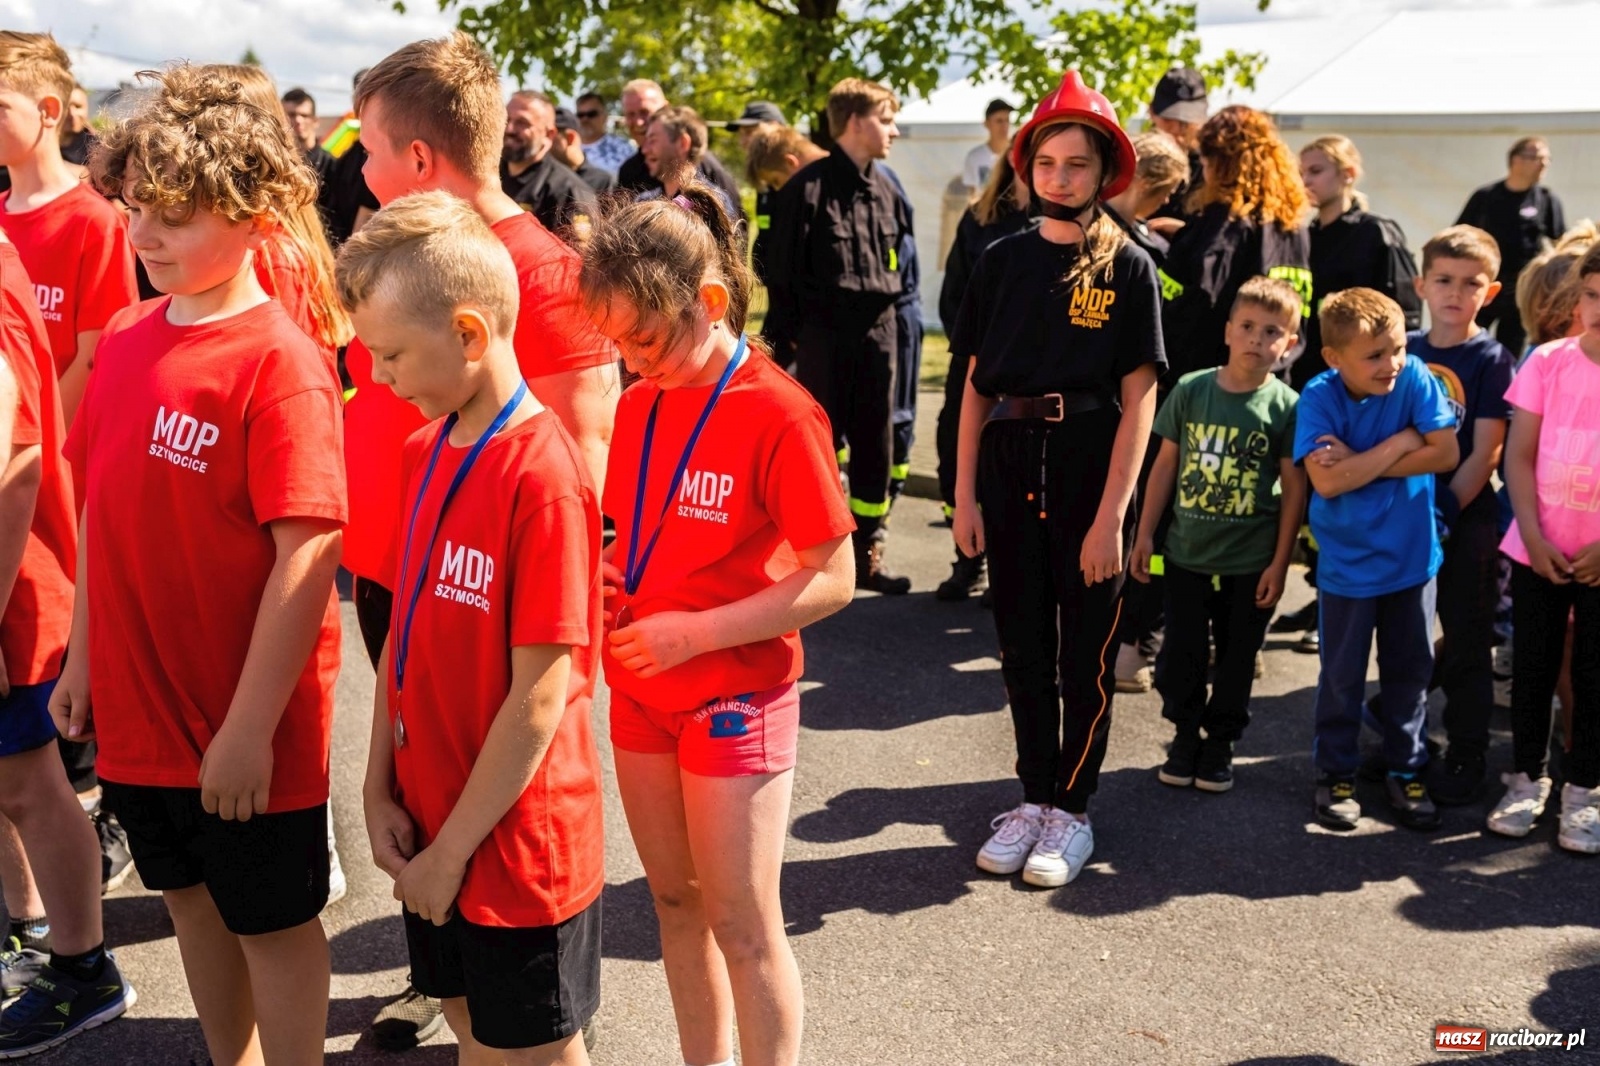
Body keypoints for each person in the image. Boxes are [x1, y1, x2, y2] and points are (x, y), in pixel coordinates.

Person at [57, 63, 346, 1064]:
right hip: (140, 710)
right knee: (187, 899)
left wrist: (249, 729)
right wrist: (82, 657)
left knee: (270, 919)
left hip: (244, 728)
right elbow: (101, 509)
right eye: (136, 209)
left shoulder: (280, 361)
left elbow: (307, 552)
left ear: (257, 213)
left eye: (174, 217)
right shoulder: (131, 336)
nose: (142, 237)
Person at [350, 31, 620, 1047]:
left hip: (510, 848)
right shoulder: (426, 451)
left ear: (468, 333)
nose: (375, 378)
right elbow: (407, 645)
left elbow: (542, 689)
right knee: (473, 1031)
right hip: (433, 825)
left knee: (534, 1045)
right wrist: (376, 783)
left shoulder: (539, 473)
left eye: (391, 355)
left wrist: (452, 850)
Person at [580, 184, 856, 1066]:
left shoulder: (780, 410)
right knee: (673, 906)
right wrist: (609, 569)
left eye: (645, 337)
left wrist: (694, 634)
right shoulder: (639, 405)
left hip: (734, 696)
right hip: (642, 693)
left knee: (742, 923)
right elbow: (639, 533)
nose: (629, 359)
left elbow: (835, 578)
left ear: (707, 303)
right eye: (614, 341)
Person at [953, 71, 1163, 888]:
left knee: (1086, 653)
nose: (1061, 178)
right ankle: (1032, 797)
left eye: (1078, 164)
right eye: (1047, 162)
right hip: (1008, 467)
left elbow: (1142, 396)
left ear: (1104, 171)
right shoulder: (1000, 260)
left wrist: (1113, 513)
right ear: (1026, 167)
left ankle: (1072, 809)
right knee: (1022, 648)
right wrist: (965, 494)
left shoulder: (1129, 267)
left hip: (1089, 468)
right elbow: (973, 385)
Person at [0, 230, 133, 1058]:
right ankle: (27, 928)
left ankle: (82, 965)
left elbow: (15, 465)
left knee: (27, 784)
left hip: (13, 599)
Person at [1131, 277, 1305, 792]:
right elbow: (1162, 467)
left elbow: (1295, 489)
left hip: (1251, 561)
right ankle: (1185, 736)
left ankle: (1221, 743)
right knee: (1181, 655)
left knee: (1236, 659)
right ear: (1228, 331)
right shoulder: (1191, 389)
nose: (1257, 339)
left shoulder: (1287, 407)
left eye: (1271, 331)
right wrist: (1145, 536)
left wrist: (1281, 561)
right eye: (1247, 327)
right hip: (1186, 554)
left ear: (1289, 343)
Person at [1295, 289, 1458, 832]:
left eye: (1395, 349)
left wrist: (1361, 460)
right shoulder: (1318, 396)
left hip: (1412, 562)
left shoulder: (1413, 376)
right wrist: (1399, 445)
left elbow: (1447, 453)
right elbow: (1325, 478)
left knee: (1409, 676)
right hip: (1347, 568)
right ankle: (1335, 773)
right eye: (1374, 355)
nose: (1390, 364)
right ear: (1334, 358)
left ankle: (1404, 768)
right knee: (1341, 678)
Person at [767, 78, 913, 594]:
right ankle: (814, 558)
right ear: (855, 121)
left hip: (880, 335)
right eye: (886, 117)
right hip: (824, 339)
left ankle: (869, 550)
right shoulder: (805, 192)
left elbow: (906, 271)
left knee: (877, 444)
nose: (893, 129)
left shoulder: (890, 189)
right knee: (819, 447)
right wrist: (779, 350)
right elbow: (781, 279)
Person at [1485, 242, 1600, 854]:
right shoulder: (1547, 362)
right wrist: (1530, 532)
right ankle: (1527, 778)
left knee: (1592, 676)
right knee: (1532, 669)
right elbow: (1520, 457)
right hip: (1538, 550)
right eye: (1591, 295)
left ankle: (1585, 790)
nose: (1598, 309)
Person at [1405, 225, 1514, 806]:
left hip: (1463, 518)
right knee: (1406, 641)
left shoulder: (1492, 359)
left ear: (1490, 293)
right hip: (1403, 514)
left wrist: (1445, 511)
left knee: (1468, 642)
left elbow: (1489, 449)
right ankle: (1405, 746)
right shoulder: (1407, 351)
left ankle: (1467, 752)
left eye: (1470, 284)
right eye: (1443, 280)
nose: (1455, 292)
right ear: (1422, 284)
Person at [0, 31, 138, 424]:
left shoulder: (93, 222)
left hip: (49, 456)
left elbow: (96, 356)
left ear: (48, 110)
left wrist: (33, 438)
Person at [931, 147, 1033, 602]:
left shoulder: (1063, 224)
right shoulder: (980, 218)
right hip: (974, 365)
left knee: (1015, 472)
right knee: (956, 456)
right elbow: (954, 293)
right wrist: (976, 349)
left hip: (1029, 373)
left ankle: (1008, 568)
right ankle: (967, 561)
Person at [1160, 105, 1313, 383]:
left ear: (1222, 165)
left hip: (1211, 391)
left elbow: (1202, 304)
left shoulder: (1227, 222)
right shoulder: (1292, 227)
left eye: (1206, 163)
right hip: (1274, 385)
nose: (1202, 173)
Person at [1296, 135, 1421, 389]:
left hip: (1361, 379)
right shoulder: (1302, 235)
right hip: (1307, 374)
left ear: (1348, 174)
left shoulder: (1376, 232)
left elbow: (1406, 314)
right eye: (1301, 173)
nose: (1306, 181)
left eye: (1315, 171)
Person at [1457, 137, 1565, 355]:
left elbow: (1561, 243)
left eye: (1547, 159)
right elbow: (1459, 236)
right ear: (1516, 160)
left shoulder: (1545, 199)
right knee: (1468, 342)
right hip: (1483, 285)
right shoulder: (1486, 197)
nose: (1543, 164)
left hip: (1521, 290)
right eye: (1537, 157)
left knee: (1510, 349)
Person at [614, 80, 743, 217]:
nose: (639, 122)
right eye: (630, 115)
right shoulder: (628, 172)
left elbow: (736, 228)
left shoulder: (708, 169)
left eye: (645, 112)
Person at [501, 90, 599, 240]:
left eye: (522, 123)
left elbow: (580, 257)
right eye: (506, 119)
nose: (510, 129)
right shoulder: (486, 174)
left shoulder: (570, 192)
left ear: (549, 134)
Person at [1102, 130, 1190, 268]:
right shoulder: (1136, 251)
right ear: (1146, 184)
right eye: (1167, 192)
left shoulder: (1084, 221)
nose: (1166, 200)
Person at [726, 102, 786, 289]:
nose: (743, 142)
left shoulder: (797, 175)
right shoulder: (765, 179)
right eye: (742, 134)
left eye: (750, 132)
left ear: (775, 127)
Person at [638, 105, 734, 217]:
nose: (645, 150)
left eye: (653, 140)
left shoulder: (713, 205)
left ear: (683, 143)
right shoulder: (644, 203)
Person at [322, 69, 381, 245]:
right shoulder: (345, 136)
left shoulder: (384, 140)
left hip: (361, 241)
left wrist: (352, 249)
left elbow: (369, 205)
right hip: (334, 235)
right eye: (359, 93)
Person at [1146, 67, 1207, 227]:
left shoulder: (1212, 167)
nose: (1177, 130)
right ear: (1151, 112)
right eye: (1168, 120)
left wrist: (1184, 233)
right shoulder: (1133, 161)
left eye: (1186, 122)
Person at [551, 106, 618, 198]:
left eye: (550, 136)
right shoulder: (542, 179)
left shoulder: (603, 181)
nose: (543, 142)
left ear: (570, 138)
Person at [282, 87, 337, 196]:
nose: (298, 120)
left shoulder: (331, 165)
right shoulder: (275, 160)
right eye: (291, 115)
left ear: (315, 121)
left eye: (304, 115)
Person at [961, 98, 1013, 201]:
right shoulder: (974, 157)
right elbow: (972, 193)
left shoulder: (1017, 154)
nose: (1004, 126)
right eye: (999, 121)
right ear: (987, 124)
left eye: (1007, 120)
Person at [573, 90, 633, 174]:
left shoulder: (622, 148)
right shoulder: (567, 147)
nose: (585, 119)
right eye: (580, 115)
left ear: (604, 117)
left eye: (591, 114)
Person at [59, 84, 94, 166]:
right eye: (66, 107)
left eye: (78, 107)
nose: (72, 114)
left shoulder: (97, 148)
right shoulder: (42, 145)